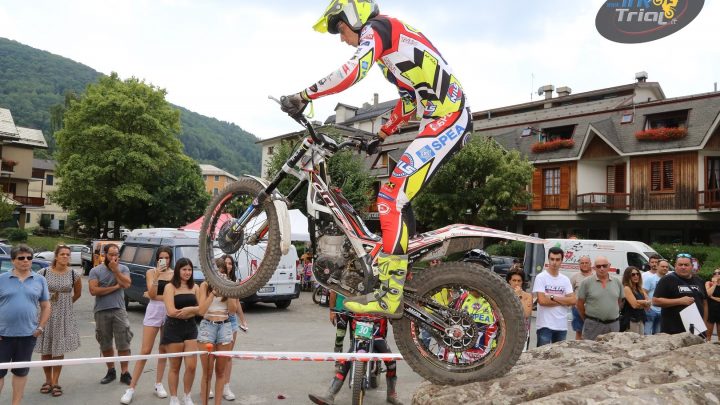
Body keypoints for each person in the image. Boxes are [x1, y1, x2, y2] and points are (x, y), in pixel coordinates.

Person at [281, 0, 472, 317]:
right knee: (398, 198)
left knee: (390, 196)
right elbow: (409, 103)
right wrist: (382, 135)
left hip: (449, 119)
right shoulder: (389, 56)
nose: (342, 38)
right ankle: (394, 270)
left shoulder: (379, 29)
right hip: (441, 121)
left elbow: (353, 70)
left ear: (354, 16)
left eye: (340, 29)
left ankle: (390, 293)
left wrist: (304, 95)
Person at [309, 314, 402, 405]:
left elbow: (394, 317)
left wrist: (393, 316)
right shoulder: (357, 301)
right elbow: (345, 307)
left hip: (378, 337)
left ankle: (391, 394)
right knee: (344, 363)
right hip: (360, 336)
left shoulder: (382, 301)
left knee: (391, 362)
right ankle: (330, 395)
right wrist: (339, 311)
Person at [121, 246, 173, 404]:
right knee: (145, 350)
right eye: (161, 257)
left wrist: (159, 296)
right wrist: (157, 275)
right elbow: (151, 293)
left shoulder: (174, 274)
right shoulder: (151, 272)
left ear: (171, 258)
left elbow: (173, 296)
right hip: (153, 312)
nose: (164, 260)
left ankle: (158, 384)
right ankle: (131, 388)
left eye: (167, 257)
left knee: (163, 349)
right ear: (157, 259)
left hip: (168, 312)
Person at [0, 245, 50, 405]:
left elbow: (46, 306)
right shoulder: (1, 279)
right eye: (21, 258)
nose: (26, 261)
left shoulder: (40, 280)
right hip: (3, 336)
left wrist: (40, 328)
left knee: (21, 373)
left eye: (29, 257)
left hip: (28, 335)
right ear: (13, 260)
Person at [35, 244, 82, 398]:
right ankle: (47, 380)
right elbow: (35, 291)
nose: (65, 257)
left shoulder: (74, 274)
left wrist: (65, 306)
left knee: (58, 349)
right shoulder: (44, 272)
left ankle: (55, 381)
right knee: (46, 348)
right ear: (56, 256)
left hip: (63, 315)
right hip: (45, 314)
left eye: (68, 254)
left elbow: (77, 294)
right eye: (62, 254)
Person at [88, 243, 133, 385]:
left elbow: (126, 284)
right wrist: (115, 287)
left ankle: (125, 372)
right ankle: (111, 370)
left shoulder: (123, 269)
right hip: (101, 310)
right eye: (111, 254)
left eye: (116, 254)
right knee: (105, 342)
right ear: (105, 254)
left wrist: (116, 271)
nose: (114, 257)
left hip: (119, 309)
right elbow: (94, 291)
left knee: (123, 342)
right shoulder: (95, 271)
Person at [162, 257, 200, 405]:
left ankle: (187, 395)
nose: (187, 272)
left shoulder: (195, 287)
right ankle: (173, 397)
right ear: (178, 270)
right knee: (175, 366)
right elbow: (171, 311)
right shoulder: (169, 287)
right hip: (173, 328)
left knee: (191, 366)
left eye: (190, 269)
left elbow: (202, 309)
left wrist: (190, 310)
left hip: (191, 328)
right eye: (184, 269)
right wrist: (194, 311)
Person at [197, 267, 238, 405]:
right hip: (208, 325)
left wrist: (229, 289)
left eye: (223, 273)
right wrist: (213, 293)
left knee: (220, 371)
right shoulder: (204, 285)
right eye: (217, 273)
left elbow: (232, 311)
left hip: (225, 326)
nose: (220, 276)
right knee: (207, 372)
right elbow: (201, 310)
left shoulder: (229, 285)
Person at [211, 255, 246, 401]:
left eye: (230, 263)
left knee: (227, 356)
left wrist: (243, 320)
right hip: (214, 318)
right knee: (212, 355)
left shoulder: (233, 283)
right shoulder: (212, 281)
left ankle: (226, 386)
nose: (228, 266)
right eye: (225, 263)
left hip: (230, 319)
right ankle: (210, 387)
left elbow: (236, 304)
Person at [653, 254, 708, 335]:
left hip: (696, 330)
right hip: (673, 332)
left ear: (692, 266)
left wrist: (704, 324)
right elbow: (655, 301)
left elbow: (704, 303)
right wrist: (679, 301)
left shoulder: (699, 281)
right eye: (680, 265)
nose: (683, 267)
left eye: (686, 265)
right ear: (675, 266)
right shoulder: (667, 279)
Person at [532, 247, 576, 346]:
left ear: (561, 261)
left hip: (561, 326)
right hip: (544, 326)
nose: (554, 262)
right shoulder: (541, 277)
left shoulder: (565, 279)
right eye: (552, 259)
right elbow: (542, 301)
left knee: (558, 360)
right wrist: (564, 301)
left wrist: (552, 297)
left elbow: (573, 300)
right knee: (542, 358)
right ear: (548, 259)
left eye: (557, 259)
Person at [575, 256, 623, 341]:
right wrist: (588, 319)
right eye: (598, 266)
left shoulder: (617, 282)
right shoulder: (586, 282)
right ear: (594, 268)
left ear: (609, 266)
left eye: (604, 266)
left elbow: (619, 301)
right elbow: (579, 304)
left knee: (612, 351)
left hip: (613, 325)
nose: (602, 268)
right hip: (593, 325)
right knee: (590, 350)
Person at [569, 256, 594, 340]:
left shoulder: (595, 276)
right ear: (579, 265)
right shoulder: (574, 277)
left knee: (592, 332)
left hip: (592, 309)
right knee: (579, 331)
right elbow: (569, 291)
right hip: (578, 309)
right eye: (582, 263)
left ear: (590, 264)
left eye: (586, 263)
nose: (584, 265)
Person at [621, 267, 651, 334]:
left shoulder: (640, 288)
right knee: (633, 342)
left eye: (638, 274)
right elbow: (634, 305)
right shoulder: (626, 288)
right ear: (628, 276)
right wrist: (644, 302)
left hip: (641, 319)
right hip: (631, 320)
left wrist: (638, 302)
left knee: (641, 341)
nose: (636, 276)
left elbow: (649, 303)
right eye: (633, 274)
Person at [642, 254, 662, 335]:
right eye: (652, 262)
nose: (654, 264)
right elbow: (642, 291)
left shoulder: (663, 276)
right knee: (647, 333)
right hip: (650, 309)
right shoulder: (644, 275)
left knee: (658, 333)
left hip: (661, 309)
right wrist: (647, 305)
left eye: (656, 262)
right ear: (649, 263)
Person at [705, 269, 720, 342]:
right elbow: (707, 294)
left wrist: (711, 297)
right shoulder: (709, 283)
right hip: (710, 310)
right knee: (708, 336)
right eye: (715, 273)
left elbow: (709, 296)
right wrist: (714, 284)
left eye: (719, 273)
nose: (716, 274)